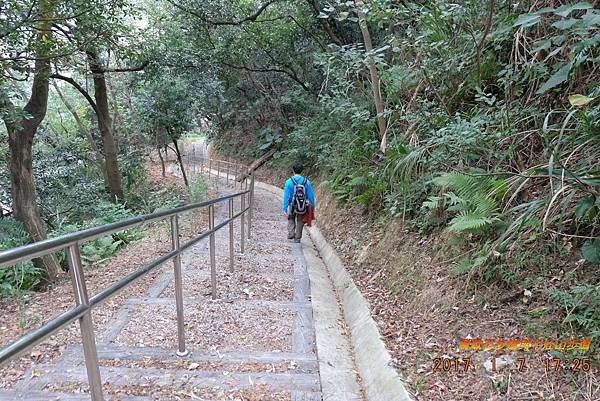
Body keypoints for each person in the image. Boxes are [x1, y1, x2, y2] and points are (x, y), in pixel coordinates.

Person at [282, 162, 316, 242]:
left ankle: (291, 233)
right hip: (302, 205)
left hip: (292, 204)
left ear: (293, 170)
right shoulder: (306, 182)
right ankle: (297, 238)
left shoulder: (288, 182)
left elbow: (286, 196)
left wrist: (285, 208)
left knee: (291, 218)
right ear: (302, 171)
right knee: (300, 221)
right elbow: (311, 196)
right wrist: (312, 206)